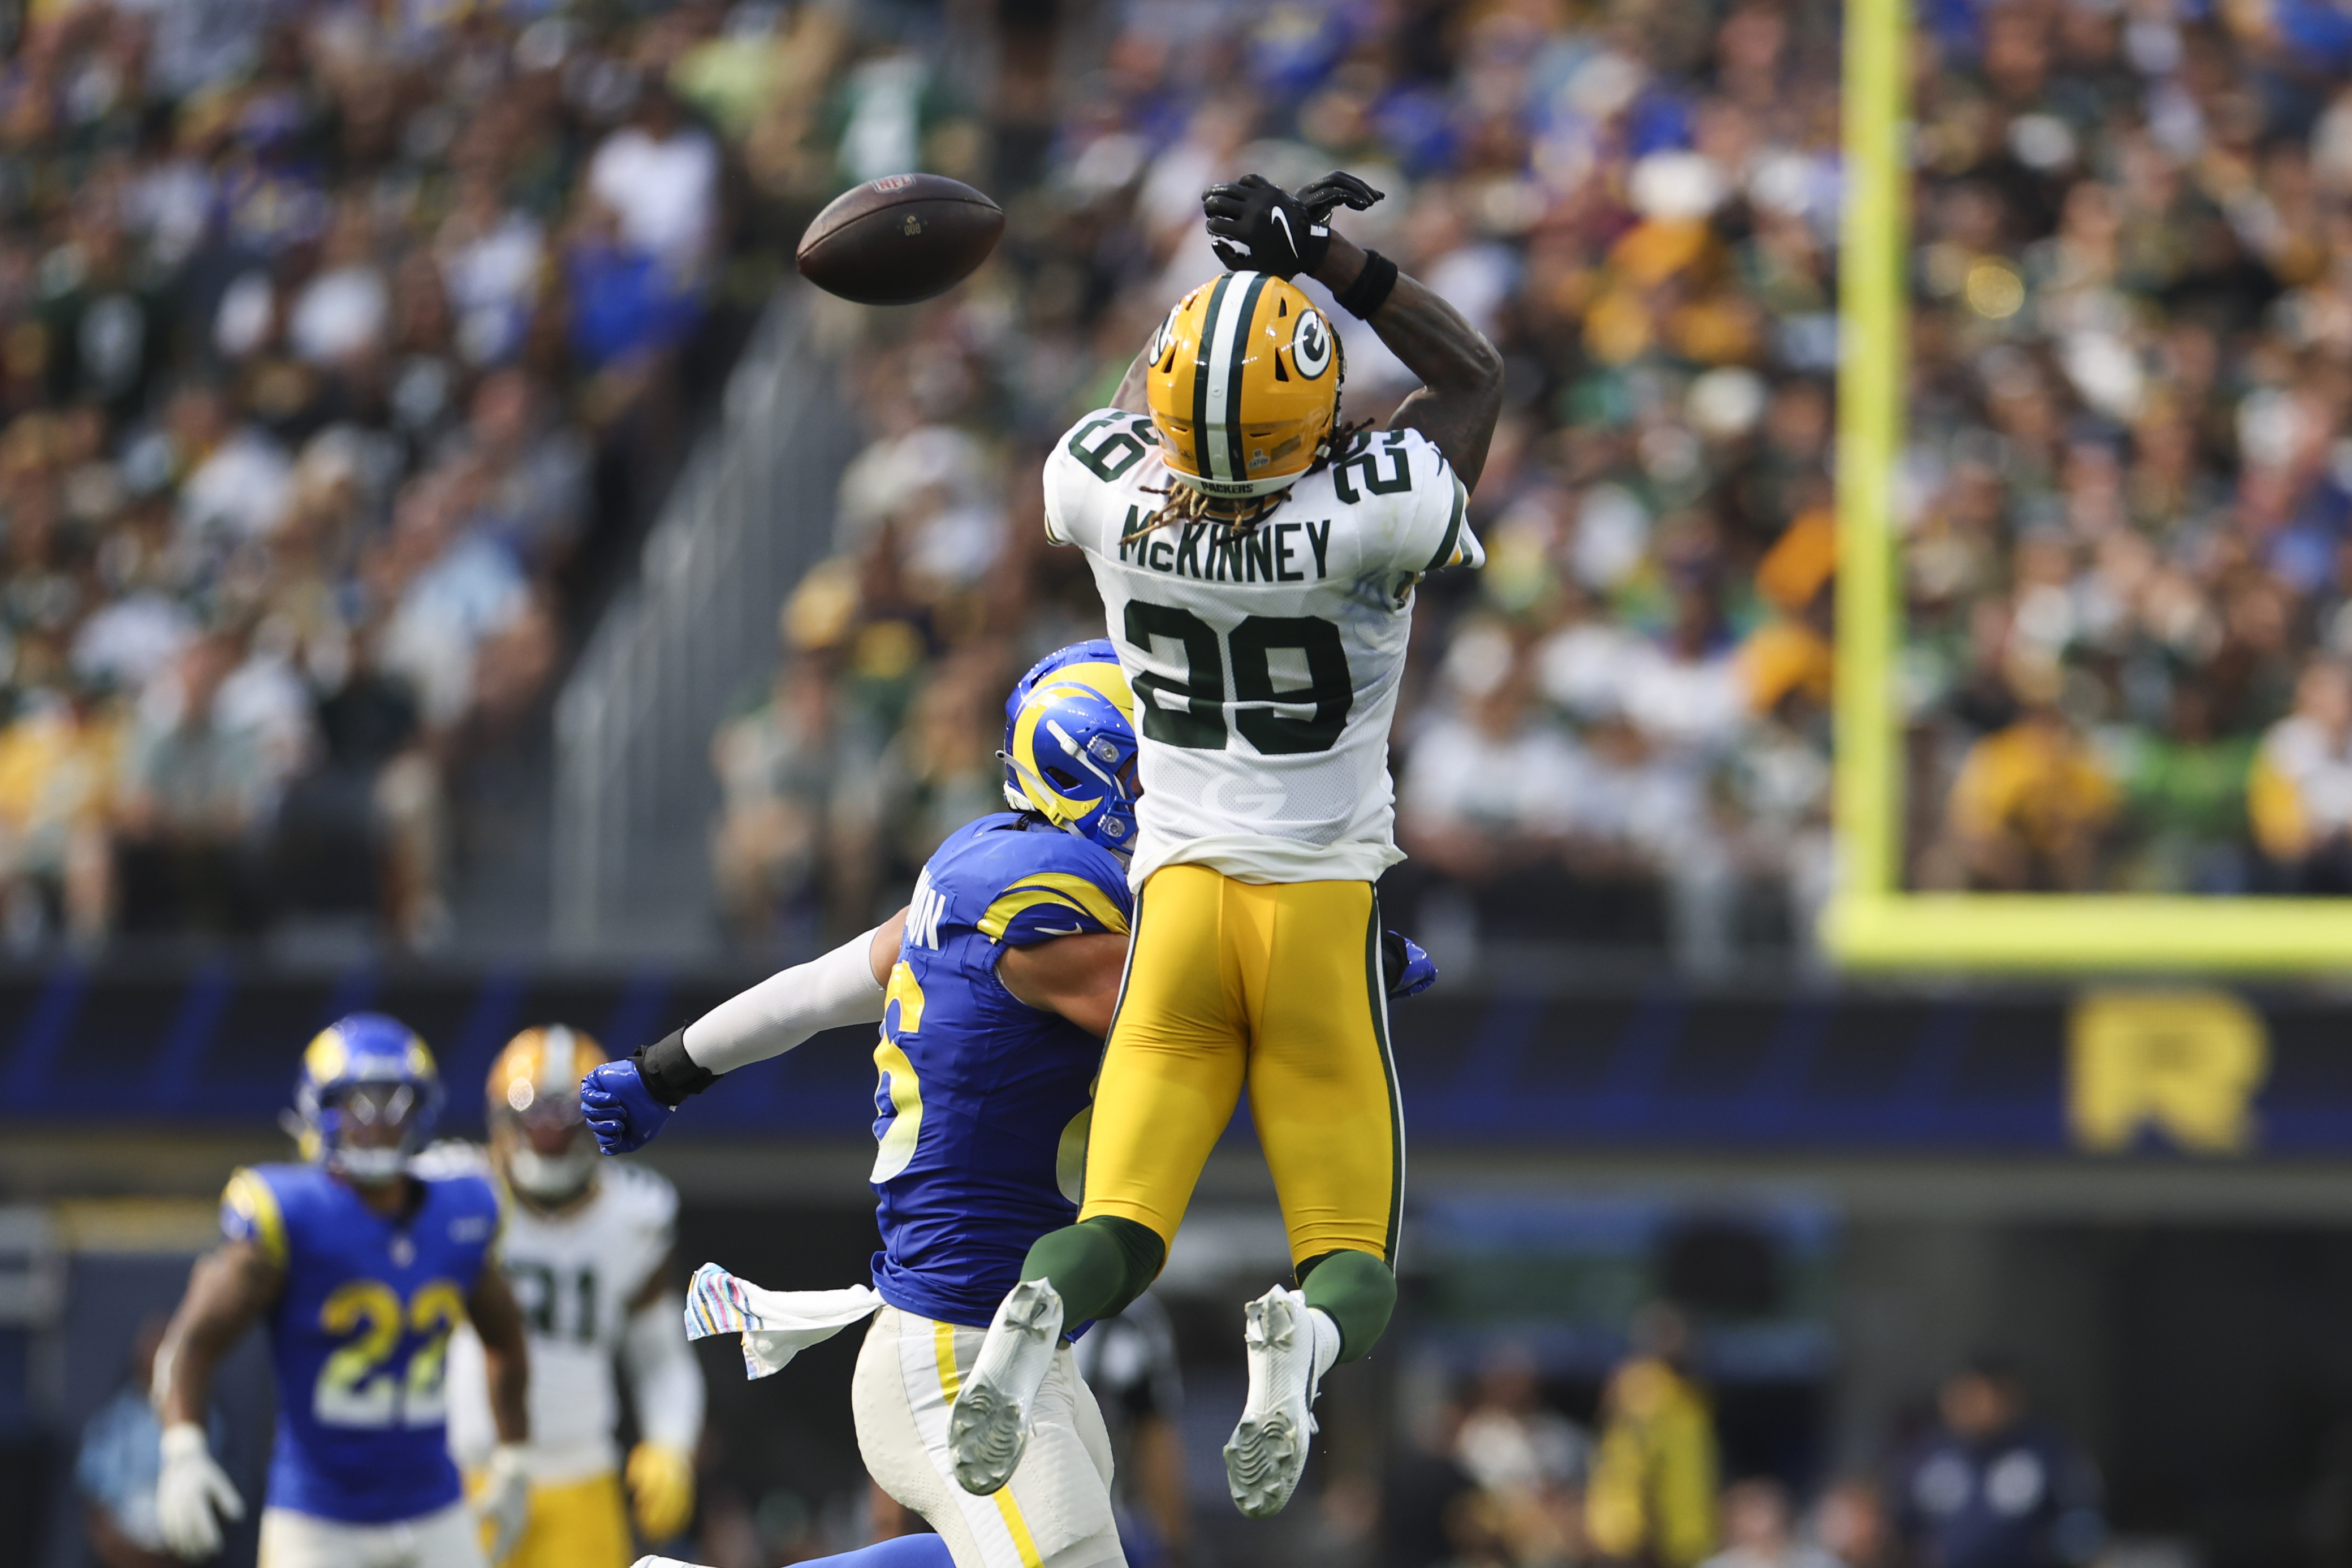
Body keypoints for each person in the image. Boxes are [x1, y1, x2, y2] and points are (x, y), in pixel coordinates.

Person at [581, 643, 1438, 1568]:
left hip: (1005, 1337)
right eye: (1159, 771)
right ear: (1091, 771)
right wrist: (1341, 960)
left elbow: (809, 992)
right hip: (957, 1340)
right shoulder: (1058, 908)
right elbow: (1194, 1009)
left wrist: (667, 1068)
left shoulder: (971, 870)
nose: (1181, 796)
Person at [949, 168, 1501, 1521]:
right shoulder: (1373, 509)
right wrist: (1324, 265)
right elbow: (1473, 376)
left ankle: (1031, 1318)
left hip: (1179, 905)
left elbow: (1147, 399)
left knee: (1119, 1230)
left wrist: (1224, 306)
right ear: (1315, 409)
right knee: (1350, 1264)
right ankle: (1296, 1353)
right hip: (1317, 915)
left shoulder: (1099, 489)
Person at [149, 1014, 534, 1568]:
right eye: (357, 1103)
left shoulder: (465, 1212)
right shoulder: (289, 1217)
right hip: (319, 1518)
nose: (377, 1122)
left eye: (395, 1102)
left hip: (435, 1506)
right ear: (318, 1110)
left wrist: (514, 1459)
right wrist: (182, 1448)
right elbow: (192, 1342)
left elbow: (507, 1336)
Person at [436, 1027, 705, 1568]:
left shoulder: (635, 1215)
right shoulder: (456, 1191)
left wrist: (671, 1445)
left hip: (582, 1473)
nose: (548, 1136)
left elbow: (659, 1358)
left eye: (564, 1123)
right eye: (534, 1120)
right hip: (463, 1470)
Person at [1894, 1360, 2104, 1568]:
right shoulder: (1928, 1455)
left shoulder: (2047, 1453)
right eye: (1961, 1396)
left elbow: (2082, 1523)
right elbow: (1900, 1524)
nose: (1967, 1406)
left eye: (1977, 1397)